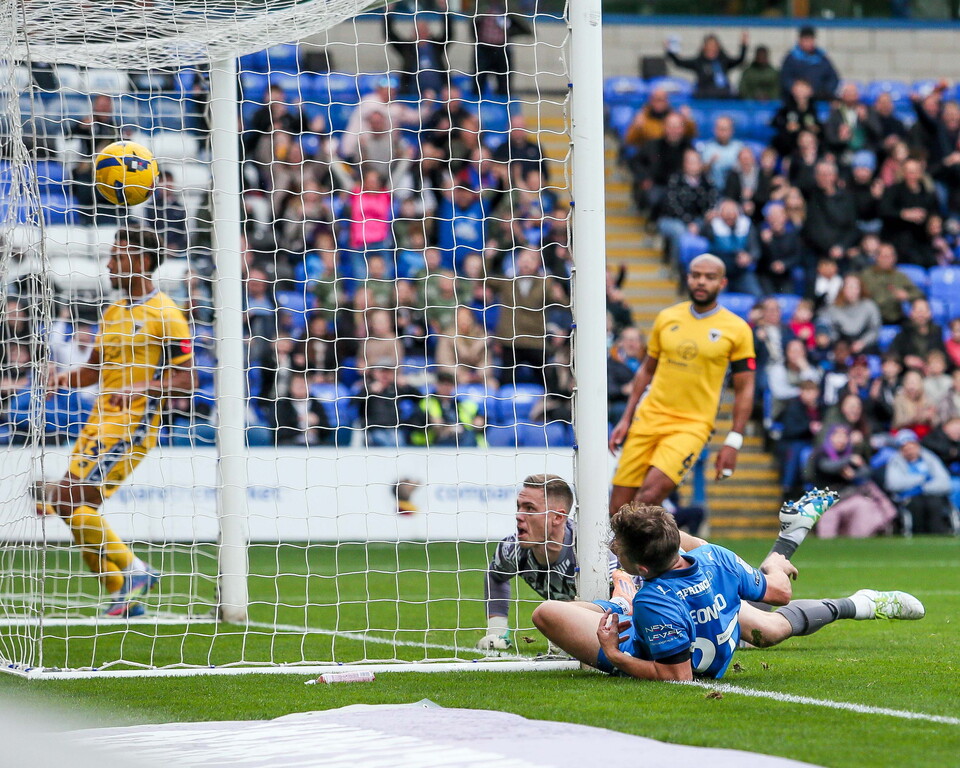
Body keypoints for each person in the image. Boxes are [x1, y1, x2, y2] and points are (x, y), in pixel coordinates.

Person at [532, 502, 923, 680]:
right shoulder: (715, 556)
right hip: (697, 603)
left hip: (652, 628)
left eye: (619, 550)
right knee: (771, 629)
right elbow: (780, 593)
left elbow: (677, 678)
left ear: (643, 569)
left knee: (546, 613)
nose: (613, 550)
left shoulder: (651, 600)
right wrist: (778, 559)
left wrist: (617, 650)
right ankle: (859, 602)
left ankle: (621, 602)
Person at [37, 227, 195, 617]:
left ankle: (134, 570)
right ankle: (123, 593)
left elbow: (187, 380)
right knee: (69, 506)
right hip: (99, 422)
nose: (109, 264)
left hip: (133, 425)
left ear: (142, 261)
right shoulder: (112, 313)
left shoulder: (167, 315)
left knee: (67, 499)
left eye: (117, 256)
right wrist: (62, 378)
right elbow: (94, 370)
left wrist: (143, 386)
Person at [607, 254, 756, 515]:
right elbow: (646, 371)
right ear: (688, 278)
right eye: (696, 275)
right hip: (649, 418)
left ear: (722, 283)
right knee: (617, 508)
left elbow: (745, 388)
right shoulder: (667, 317)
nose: (701, 282)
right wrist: (626, 418)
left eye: (709, 277)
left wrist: (733, 440)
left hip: (692, 425)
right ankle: (628, 546)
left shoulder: (737, 329)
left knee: (650, 496)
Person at [477, 474, 619, 651]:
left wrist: (573, 628)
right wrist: (496, 631)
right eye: (519, 507)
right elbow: (495, 576)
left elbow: (624, 602)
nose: (518, 515)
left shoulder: (596, 555)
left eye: (530, 508)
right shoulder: (511, 550)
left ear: (558, 518)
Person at [884, 429, 954, 534]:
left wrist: (923, 488)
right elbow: (893, 484)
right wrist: (920, 479)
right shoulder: (895, 461)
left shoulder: (930, 458)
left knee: (934, 504)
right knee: (916, 505)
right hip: (908, 497)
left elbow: (945, 482)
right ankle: (918, 533)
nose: (909, 451)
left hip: (931, 493)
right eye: (905, 448)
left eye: (912, 447)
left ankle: (938, 533)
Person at [411, 370, 484, 448]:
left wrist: (479, 418)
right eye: (443, 384)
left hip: (462, 440)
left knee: (469, 435)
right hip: (432, 444)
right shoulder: (427, 403)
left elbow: (479, 416)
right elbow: (427, 423)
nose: (446, 387)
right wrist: (447, 428)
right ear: (436, 385)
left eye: (449, 384)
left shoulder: (460, 403)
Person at [664, 32, 748, 100]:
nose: (711, 48)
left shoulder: (723, 61)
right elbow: (679, 62)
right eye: (709, 46)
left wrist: (744, 46)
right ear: (704, 47)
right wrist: (669, 51)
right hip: (705, 95)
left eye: (714, 46)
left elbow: (739, 60)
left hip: (723, 96)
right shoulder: (699, 62)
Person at [857, 242, 924, 326]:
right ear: (876, 257)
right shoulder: (866, 276)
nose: (888, 260)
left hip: (897, 317)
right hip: (873, 318)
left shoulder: (899, 275)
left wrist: (907, 295)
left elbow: (919, 294)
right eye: (884, 257)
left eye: (890, 256)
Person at [779, 26, 839, 101]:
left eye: (811, 40)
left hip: (819, 98)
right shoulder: (791, 58)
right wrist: (796, 88)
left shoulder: (822, 58)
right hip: (796, 100)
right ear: (800, 40)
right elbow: (785, 78)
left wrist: (823, 91)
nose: (808, 43)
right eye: (806, 40)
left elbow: (833, 78)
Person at [889, 298, 947, 372]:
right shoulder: (903, 334)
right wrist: (905, 360)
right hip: (910, 372)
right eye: (917, 311)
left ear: (930, 313)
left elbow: (946, 357)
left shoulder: (937, 333)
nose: (920, 315)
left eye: (923, 311)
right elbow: (893, 355)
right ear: (911, 313)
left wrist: (938, 364)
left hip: (934, 373)